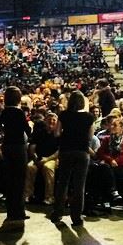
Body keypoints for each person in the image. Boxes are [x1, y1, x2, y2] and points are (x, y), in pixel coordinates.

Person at [50, 90, 95, 227]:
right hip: (82, 152)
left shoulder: (63, 115)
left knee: (63, 183)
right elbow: (90, 136)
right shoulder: (89, 117)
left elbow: (57, 133)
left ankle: (57, 213)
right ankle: (76, 218)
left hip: (66, 151)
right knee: (79, 186)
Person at [0, 86, 31, 227]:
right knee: (20, 180)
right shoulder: (19, 112)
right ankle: (20, 212)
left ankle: (11, 213)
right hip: (19, 147)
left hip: (7, 147)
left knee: (10, 179)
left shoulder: (4, 112)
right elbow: (27, 129)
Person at [25, 111, 59, 205]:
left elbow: (59, 151)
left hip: (52, 159)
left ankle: (49, 197)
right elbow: (32, 147)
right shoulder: (39, 132)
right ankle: (28, 195)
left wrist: (46, 159)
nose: (51, 121)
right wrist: (36, 158)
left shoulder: (59, 134)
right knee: (29, 167)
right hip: (38, 158)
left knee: (47, 167)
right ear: (45, 121)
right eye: (49, 119)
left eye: (54, 120)